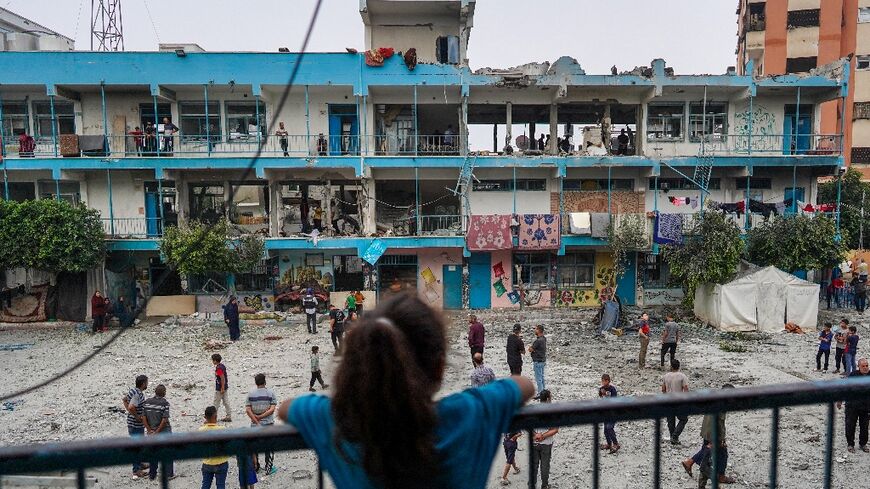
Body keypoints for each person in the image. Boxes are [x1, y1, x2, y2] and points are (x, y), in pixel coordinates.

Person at [277, 293, 535, 489]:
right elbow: (524, 386)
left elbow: (286, 408)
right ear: (440, 367)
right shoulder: (469, 413)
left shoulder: (338, 423)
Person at [682, 384, 736, 484]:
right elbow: (716, 422)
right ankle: (720, 476)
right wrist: (716, 439)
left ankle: (689, 462)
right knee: (721, 453)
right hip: (713, 435)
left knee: (706, 450)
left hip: (708, 432)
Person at [246, 373, 278, 474]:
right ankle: (268, 468)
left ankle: (256, 467)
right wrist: (262, 416)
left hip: (255, 425)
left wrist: (256, 420)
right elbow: (272, 409)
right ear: (265, 381)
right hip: (268, 423)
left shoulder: (250, 394)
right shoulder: (270, 393)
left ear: (256, 382)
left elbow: (248, 410)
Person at [142, 384, 175, 481]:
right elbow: (164, 420)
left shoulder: (147, 402)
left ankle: (152, 473)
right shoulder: (165, 403)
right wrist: (157, 432)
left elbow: (143, 417)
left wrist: (149, 429)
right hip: (163, 431)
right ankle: (169, 474)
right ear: (164, 392)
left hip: (151, 431)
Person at [837, 358, 870, 453]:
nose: (865, 368)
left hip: (866, 407)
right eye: (863, 366)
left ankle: (863, 444)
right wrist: (840, 400)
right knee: (850, 426)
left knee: (864, 427)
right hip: (852, 406)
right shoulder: (853, 375)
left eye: (867, 365)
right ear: (859, 367)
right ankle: (850, 444)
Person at [123, 374, 149, 478]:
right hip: (136, 424)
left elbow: (124, 400)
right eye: (146, 382)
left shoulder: (132, 391)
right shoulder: (137, 394)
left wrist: (129, 412)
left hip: (132, 423)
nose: (147, 384)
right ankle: (136, 470)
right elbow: (131, 406)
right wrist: (137, 416)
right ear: (143, 384)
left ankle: (140, 464)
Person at [531, 390, 558, 489]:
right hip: (546, 443)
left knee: (533, 465)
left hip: (534, 441)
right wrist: (543, 436)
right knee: (545, 466)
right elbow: (555, 429)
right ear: (547, 399)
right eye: (550, 397)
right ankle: (544, 485)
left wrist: (536, 435)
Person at [199, 406, 229, 489]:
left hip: (207, 462)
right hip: (221, 462)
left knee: (205, 484)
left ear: (205, 417)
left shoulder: (201, 430)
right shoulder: (222, 429)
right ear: (216, 416)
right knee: (221, 485)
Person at [662, 359, 690, 445]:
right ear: (679, 366)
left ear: (671, 366)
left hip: (668, 400)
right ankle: (675, 435)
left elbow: (663, 389)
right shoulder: (682, 376)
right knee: (683, 419)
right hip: (679, 400)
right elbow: (686, 389)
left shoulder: (666, 376)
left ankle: (672, 436)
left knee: (670, 420)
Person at [599, 374, 620, 453]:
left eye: (604, 381)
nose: (603, 382)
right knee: (605, 430)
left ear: (608, 381)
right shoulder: (601, 389)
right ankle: (609, 444)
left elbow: (614, 401)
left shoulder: (612, 389)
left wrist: (606, 395)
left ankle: (616, 443)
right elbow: (601, 398)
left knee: (609, 428)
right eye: (602, 381)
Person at [212, 353, 232, 422]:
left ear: (215, 361)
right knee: (226, 401)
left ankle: (213, 417)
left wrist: (222, 388)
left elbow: (222, 378)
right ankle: (229, 415)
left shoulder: (218, 368)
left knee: (216, 403)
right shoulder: (222, 366)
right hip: (225, 387)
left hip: (220, 388)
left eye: (212, 360)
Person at [529, 325, 547, 394]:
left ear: (539, 330)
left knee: (538, 378)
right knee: (542, 378)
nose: (534, 330)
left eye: (536, 329)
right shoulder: (544, 339)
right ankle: (543, 391)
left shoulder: (538, 341)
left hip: (537, 361)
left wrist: (532, 350)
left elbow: (531, 349)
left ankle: (540, 393)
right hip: (542, 360)